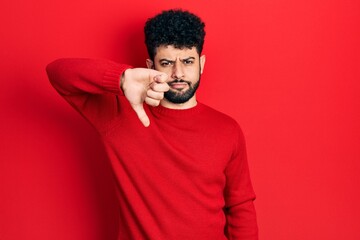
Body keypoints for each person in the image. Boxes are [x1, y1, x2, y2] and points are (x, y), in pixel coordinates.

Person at [46, 9, 258, 240]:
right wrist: (122, 78)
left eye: (188, 61)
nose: (178, 73)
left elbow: (240, 207)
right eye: (166, 63)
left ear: (201, 63)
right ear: (151, 65)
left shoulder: (228, 130)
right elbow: (58, 73)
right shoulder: (119, 114)